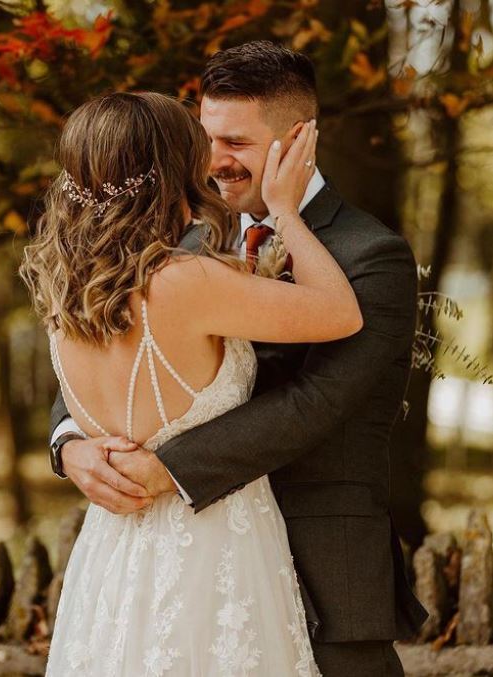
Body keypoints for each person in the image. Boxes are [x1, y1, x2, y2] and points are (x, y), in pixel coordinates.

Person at [48, 43, 428, 676]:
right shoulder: (178, 238)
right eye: (205, 139)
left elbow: (318, 401)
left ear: (299, 140)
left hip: (318, 563)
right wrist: (70, 444)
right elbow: (104, 338)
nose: (214, 160)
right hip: (179, 566)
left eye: (237, 142)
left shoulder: (371, 254)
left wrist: (168, 469)